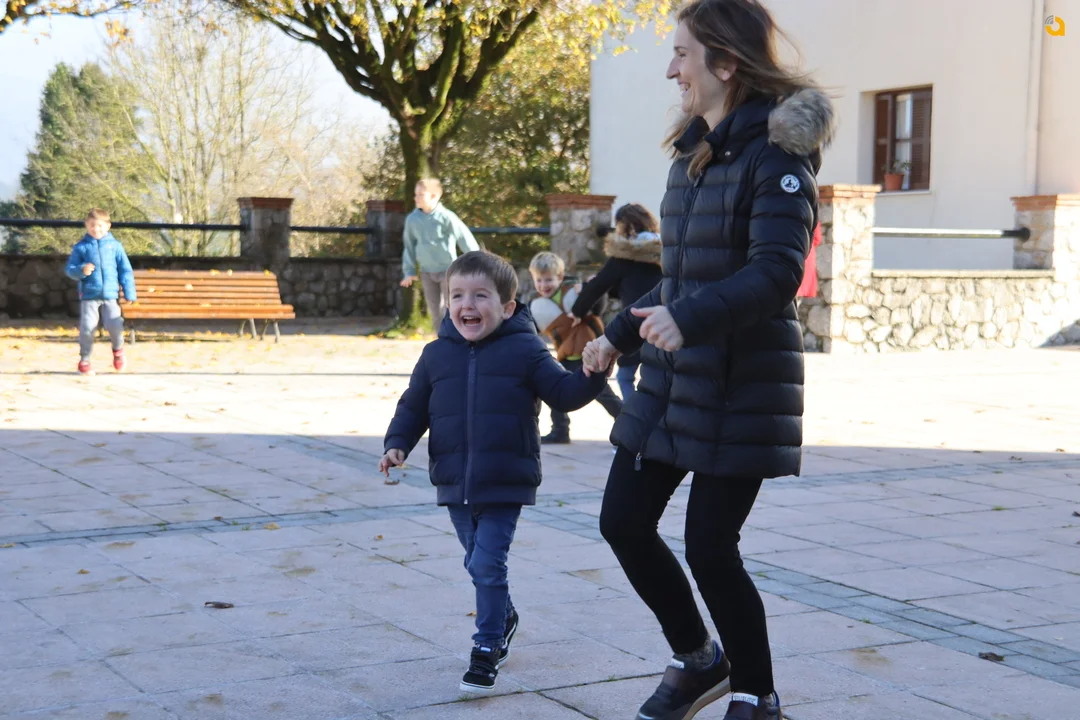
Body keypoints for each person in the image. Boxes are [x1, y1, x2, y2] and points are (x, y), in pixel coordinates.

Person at [581, 1, 835, 718]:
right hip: (671, 380)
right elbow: (681, 278)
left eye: (683, 54)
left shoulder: (778, 157)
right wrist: (619, 334)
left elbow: (777, 272)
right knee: (623, 522)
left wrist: (686, 320)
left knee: (711, 548)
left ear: (725, 62)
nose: (672, 70)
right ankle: (698, 659)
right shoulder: (692, 155)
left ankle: (756, 693)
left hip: (740, 384)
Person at [379, 250, 611, 695]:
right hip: (453, 480)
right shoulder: (435, 355)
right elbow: (413, 406)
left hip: (506, 479)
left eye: (480, 295)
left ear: (507, 307)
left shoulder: (526, 349)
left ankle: (486, 646)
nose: (467, 304)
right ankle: (504, 616)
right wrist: (397, 444)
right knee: (475, 561)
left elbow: (564, 393)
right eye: (457, 295)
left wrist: (593, 374)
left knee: (487, 563)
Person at [570, 203, 664, 401]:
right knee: (661, 377)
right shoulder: (664, 252)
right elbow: (630, 285)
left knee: (625, 377)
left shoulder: (624, 255)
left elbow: (599, 286)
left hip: (635, 323)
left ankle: (634, 414)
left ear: (624, 225)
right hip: (664, 322)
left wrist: (577, 311)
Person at [527, 251, 623, 445]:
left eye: (548, 280)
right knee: (555, 391)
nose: (544, 285)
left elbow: (598, 308)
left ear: (560, 277)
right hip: (565, 354)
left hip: (589, 352)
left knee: (603, 394)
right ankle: (560, 430)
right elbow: (531, 329)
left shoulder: (575, 291)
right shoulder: (535, 304)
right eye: (539, 280)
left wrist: (592, 290)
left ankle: (628, 422)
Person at [399, 177, 480, 332]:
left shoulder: (447, 217)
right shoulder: (412, 220)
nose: (416, 198)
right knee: (434, 311)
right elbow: (408, 246)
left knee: (450, 308)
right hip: (426, 271)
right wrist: (409, 271)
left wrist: (478, 260)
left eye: (420, 195)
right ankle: (441, 339)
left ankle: (457, 338)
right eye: (415, 194)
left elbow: (464, 237)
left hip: (448, 271)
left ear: (434, 196)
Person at [64, 208, 137, 375]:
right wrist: (81, 270)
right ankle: (85, 359)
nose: (96, 229)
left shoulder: (115, 246)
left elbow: (125, 271)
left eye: (99, 226)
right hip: (89, 296)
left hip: (111, 296)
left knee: (115, 325)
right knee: (87, 328)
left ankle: (118, 351)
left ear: (108, 226)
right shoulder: (81, 247)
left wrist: (129, 292)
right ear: (86, 225)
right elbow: (70, 269)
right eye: (92, 225)